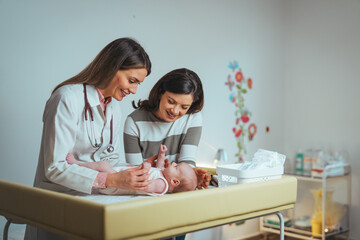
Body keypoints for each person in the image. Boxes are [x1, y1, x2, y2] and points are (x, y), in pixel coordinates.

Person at [25, 37, 153, 240]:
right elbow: (54, 167)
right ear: (113, 67)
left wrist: (136, 170)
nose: (134, 90)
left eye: (138, 83)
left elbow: (109, 159)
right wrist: (110, 179)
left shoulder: (113, 107)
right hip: (57, 203)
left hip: (92, 203)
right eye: (132, 81)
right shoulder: (67, 98)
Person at [123, 68, 211, 189]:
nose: (175, 111)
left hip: (176, 190)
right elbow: (134, 172)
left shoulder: (193, 118)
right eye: (171, 101)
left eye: (184, 107)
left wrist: (194, 178)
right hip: (147, 187)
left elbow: (186, 162)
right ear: (160, 92)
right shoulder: (134, 122)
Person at [66, 144, 197, 195]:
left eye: (176, 166)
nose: (173, 163)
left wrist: (146, 167)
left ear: (174, 182)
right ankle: (79, 168)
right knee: (103, 167)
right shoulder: (162, 175)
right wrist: (161, 155)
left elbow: (145, 185)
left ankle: (77, 165)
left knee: (102, 166)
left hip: (118, 184)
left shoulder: (161, 185)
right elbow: (159, 167)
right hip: (119, 177)